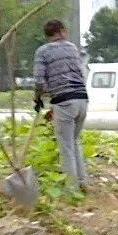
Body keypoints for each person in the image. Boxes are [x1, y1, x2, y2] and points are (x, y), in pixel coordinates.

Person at [33, 19, 88, 191]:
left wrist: (38, 99)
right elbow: (80, 72)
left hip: (63, 100)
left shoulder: (42, 52)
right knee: (75, 141)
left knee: (66, 146)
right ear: (62, 31)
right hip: (82, 98)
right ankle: (82, 182)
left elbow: (39, 81)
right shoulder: (72, 48)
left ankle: (71, 190)